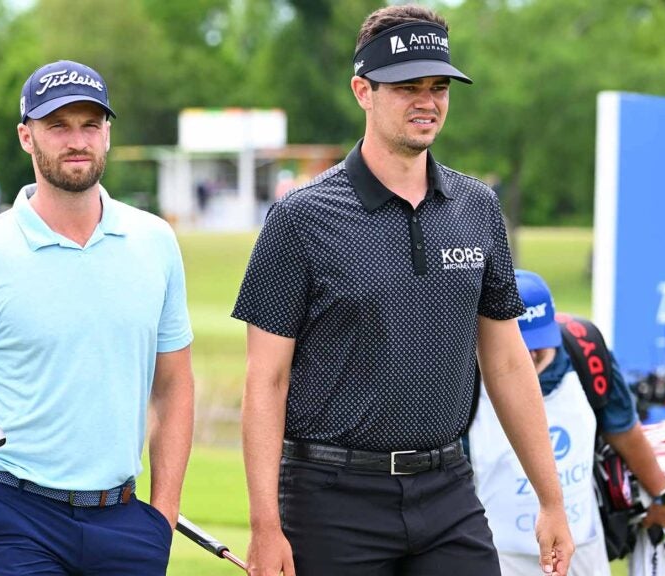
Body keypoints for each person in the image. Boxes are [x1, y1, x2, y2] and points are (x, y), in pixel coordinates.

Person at [231, 5, 575, 576]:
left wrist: (551, 500)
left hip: (447, 490)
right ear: (362, 90)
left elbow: (509, 362)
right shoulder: (300, 218)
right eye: (407, 86)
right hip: (330, 497)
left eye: (439, 86)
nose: (428, 100)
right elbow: (265, 380)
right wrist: (265, 526)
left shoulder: (476, 207)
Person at [0, 59, 195, 576]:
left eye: (90, 124)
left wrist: (163, 514)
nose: (76, 140)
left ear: (108, 133)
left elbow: (174, 387)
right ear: (25, 136)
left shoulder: (156, 242)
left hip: (124, 518)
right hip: (12, 514)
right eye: (57, 125)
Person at [468, 269, 665, 575]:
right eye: (516, 345)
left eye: (535, 344)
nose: (526, 356)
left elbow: (624, 431)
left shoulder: (587, 353)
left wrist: (663, 495)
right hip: (500, 554)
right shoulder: (464, 373)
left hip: (581, 547)